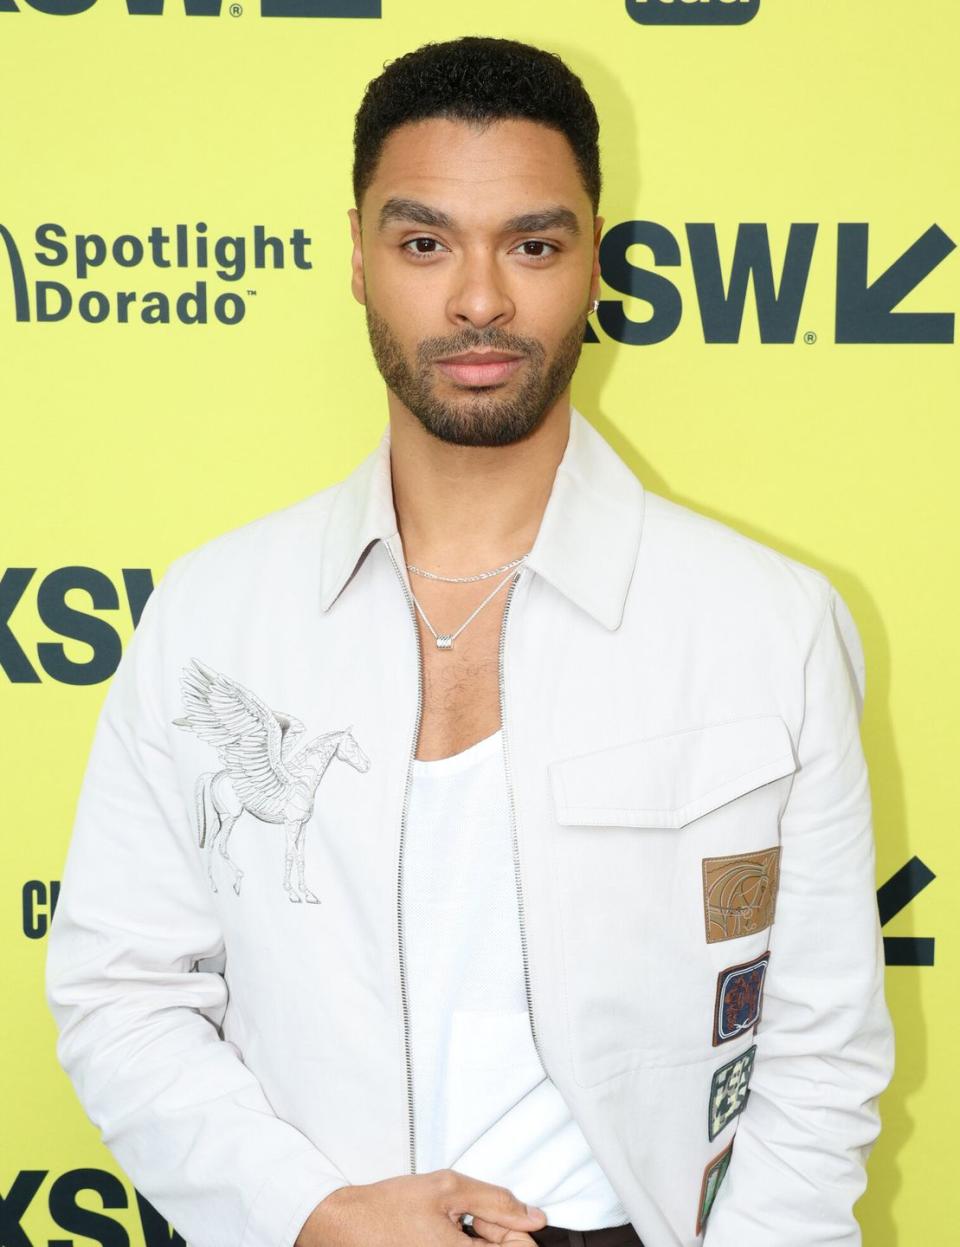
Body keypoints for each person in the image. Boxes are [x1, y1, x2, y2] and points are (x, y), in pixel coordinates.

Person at [45, 35, 894, 1247]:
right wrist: (305, 1211)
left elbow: (819, 1050)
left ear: (598, 257)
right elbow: (121, 991)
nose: (480, 297)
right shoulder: (210, 613)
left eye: (533, 244)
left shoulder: (767, 622)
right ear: (355, 255)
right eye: (425, 240)